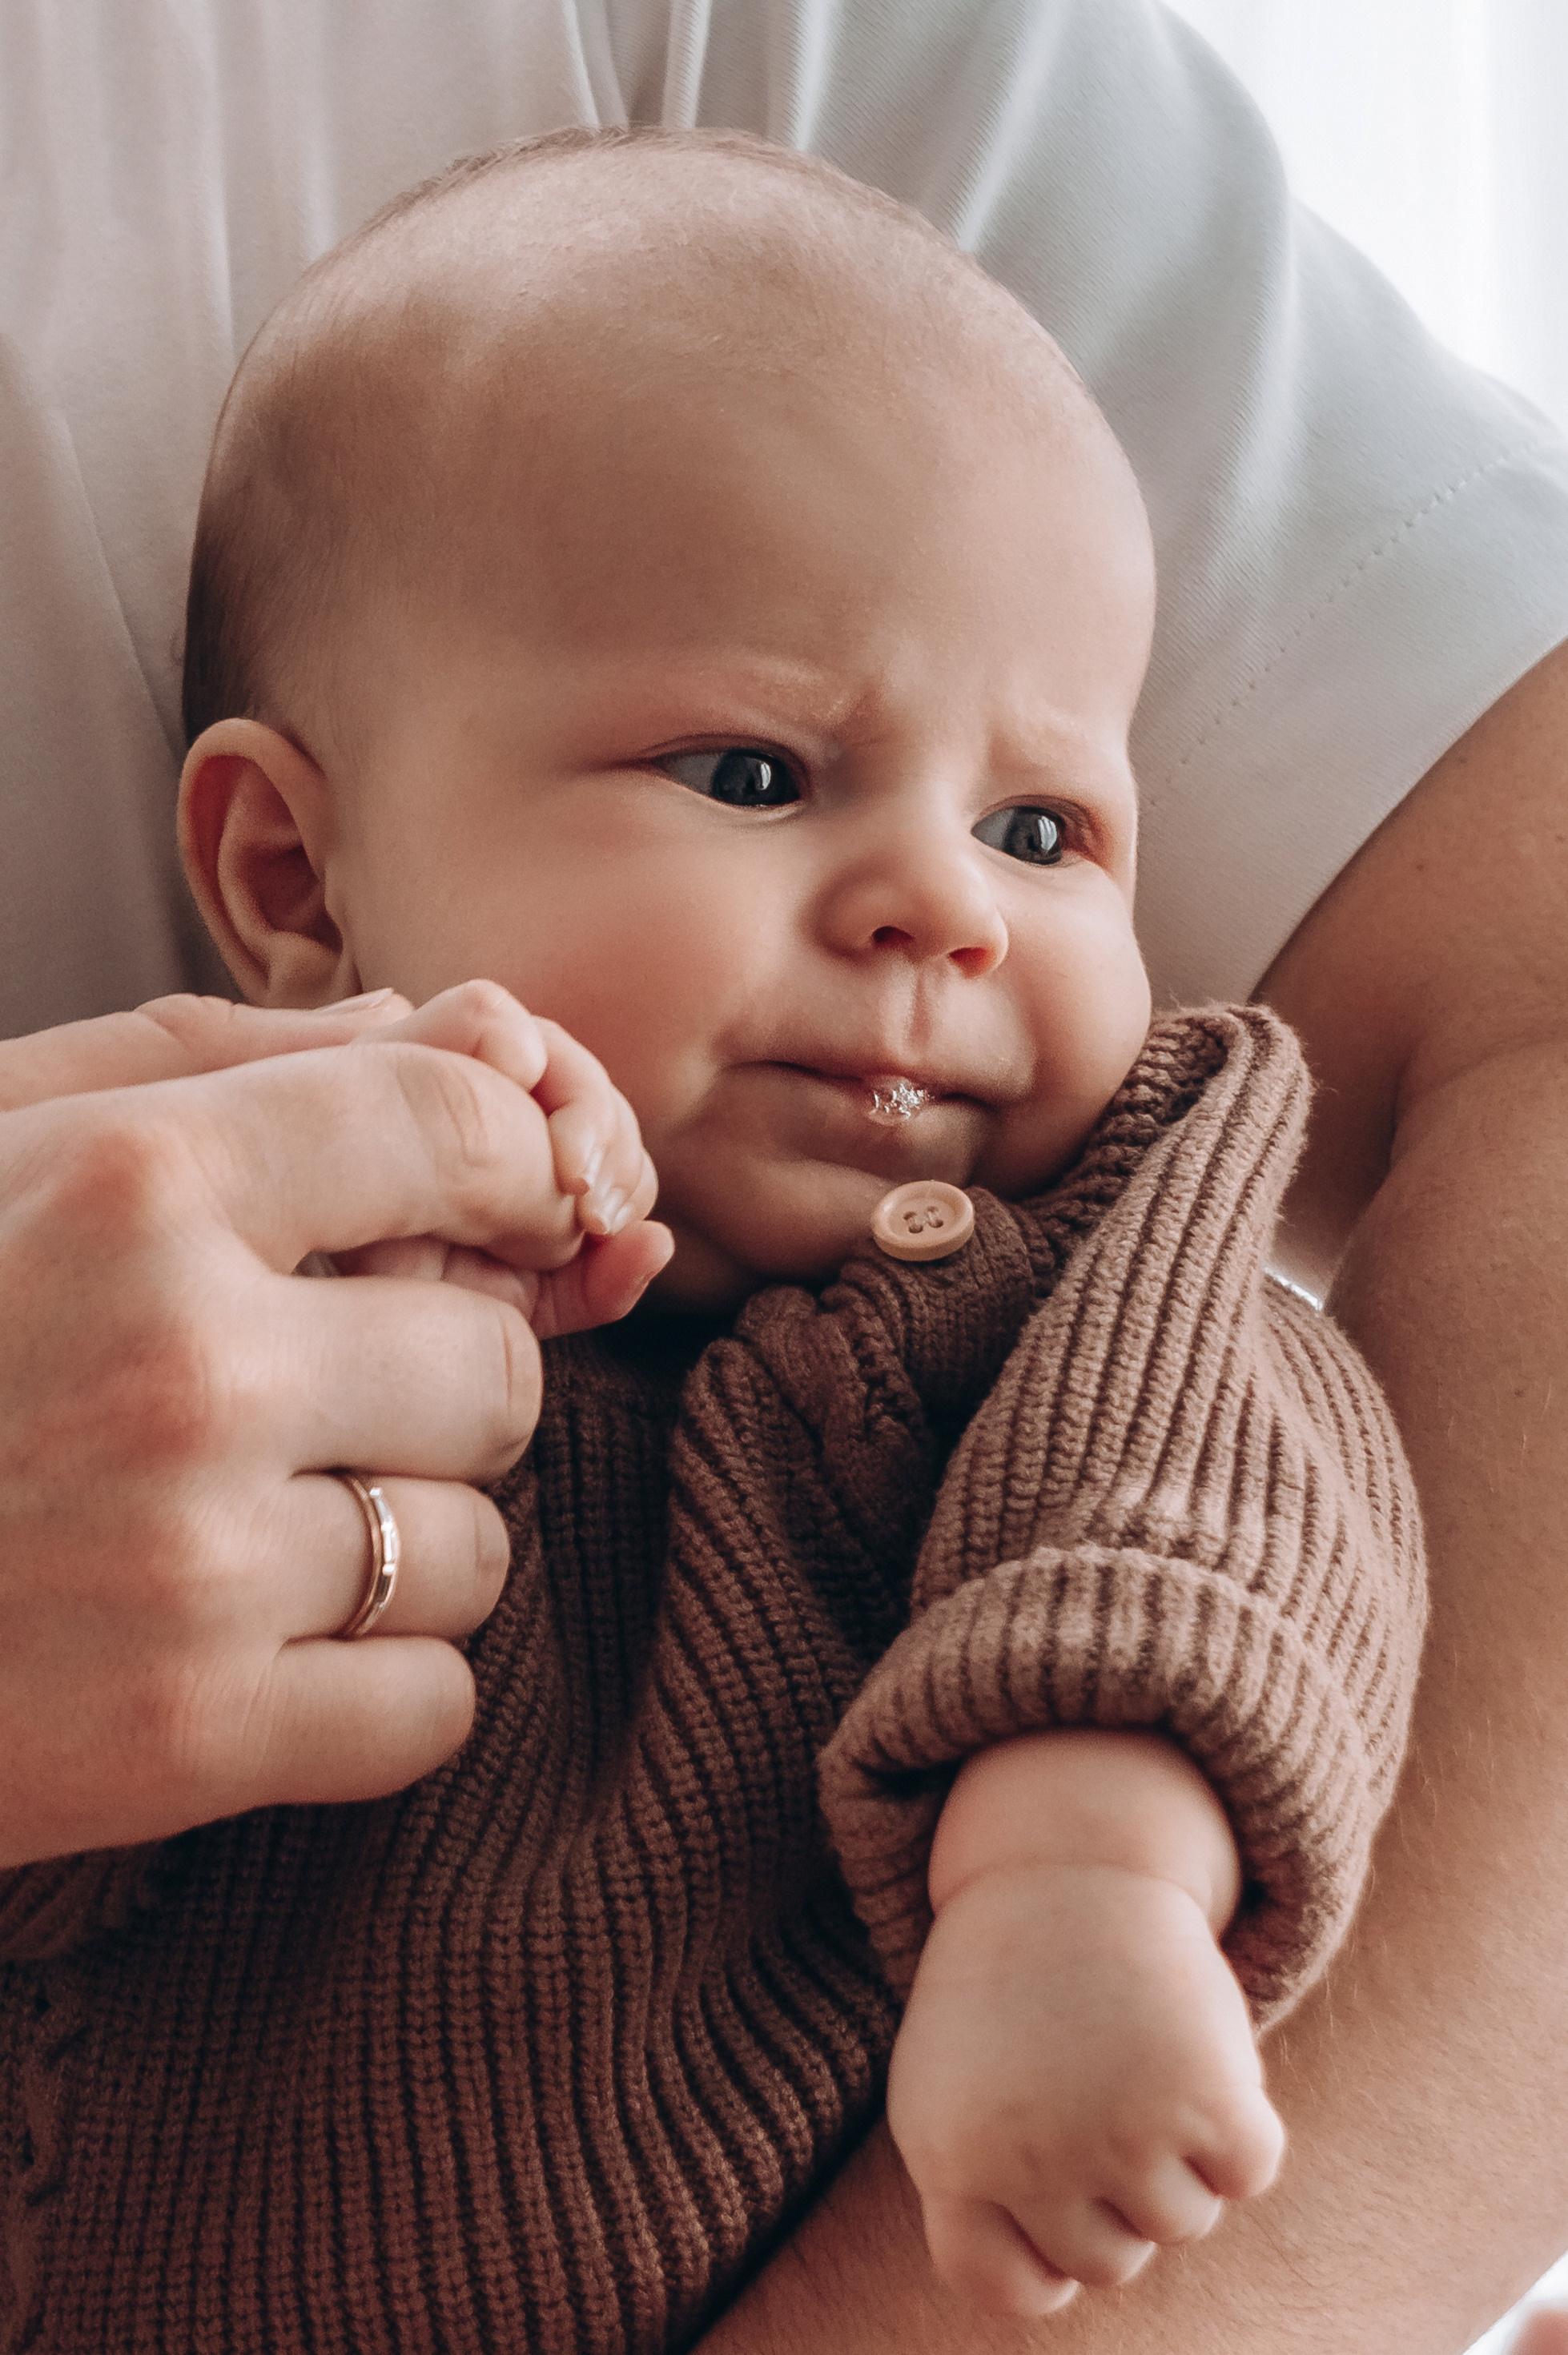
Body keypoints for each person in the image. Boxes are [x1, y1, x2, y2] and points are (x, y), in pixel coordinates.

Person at [2, 5, 1567, 2349]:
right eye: (755, 774)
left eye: (1045, 830)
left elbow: (1181, 1563)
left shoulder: (1052, 1303)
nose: (943, 904)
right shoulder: (205, 1309)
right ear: (294, 878)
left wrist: (1079, 1900)